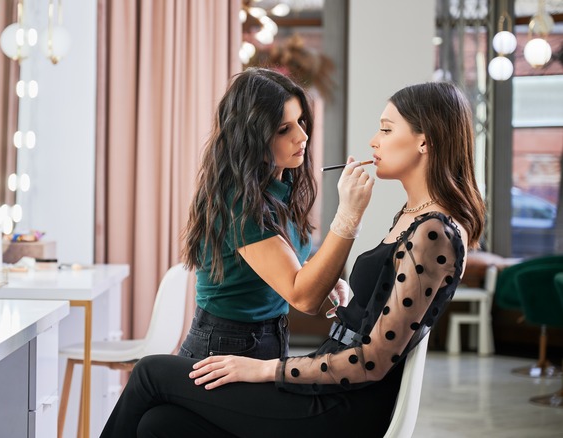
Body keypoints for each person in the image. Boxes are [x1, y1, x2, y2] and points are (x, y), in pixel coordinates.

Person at [101, 81, 485, 437]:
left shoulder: (432, 231)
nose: (373, 141)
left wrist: (266, 369)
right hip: (321, 376)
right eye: (285, 128)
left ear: (424, 142)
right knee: (159, 424)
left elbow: (373, 359)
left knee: (150, 372)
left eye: (386, 130)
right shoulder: (413, 217)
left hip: (344, 402)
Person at [178, 67, 373, 361]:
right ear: (251, 139)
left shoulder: (280, 183)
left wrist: (322, 276)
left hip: (266, 337)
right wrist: (348, 216)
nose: (303, 136)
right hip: (224, 347)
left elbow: (276, 258)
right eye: (285, 130)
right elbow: (303, 297)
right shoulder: (239, 202)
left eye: (301, 121)